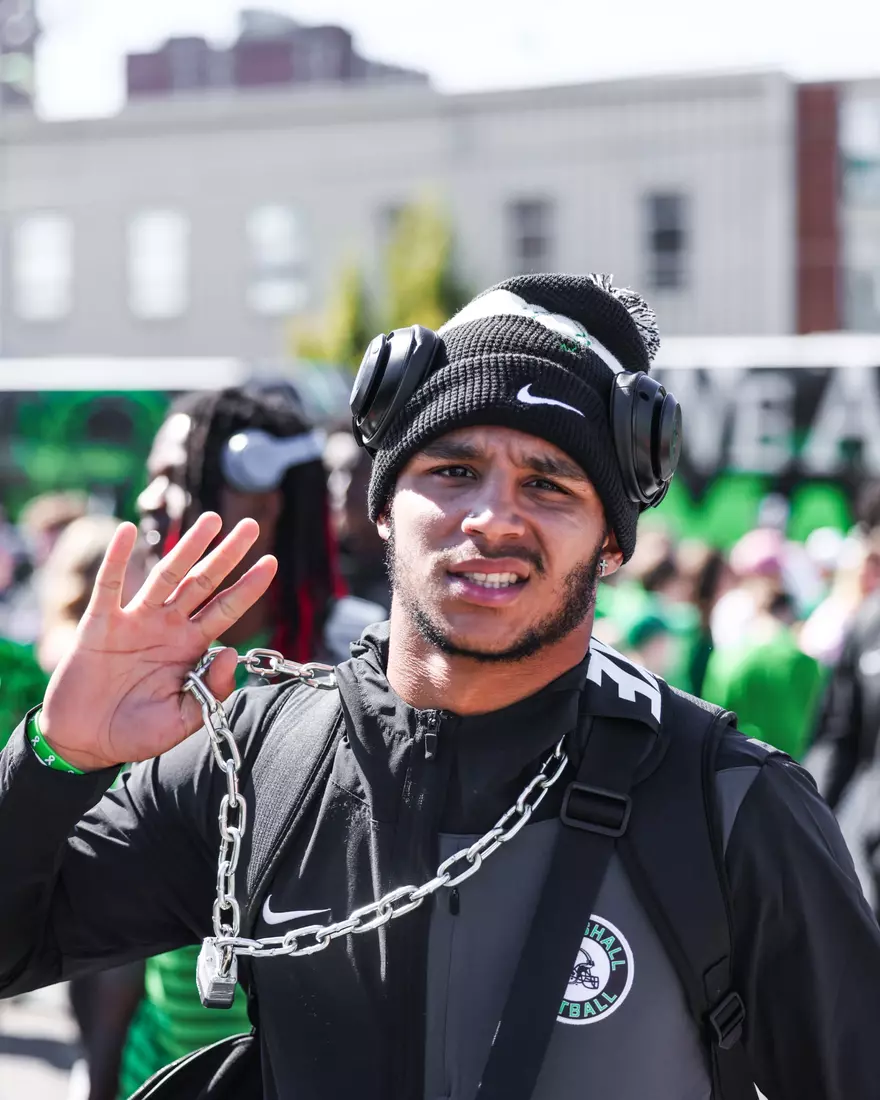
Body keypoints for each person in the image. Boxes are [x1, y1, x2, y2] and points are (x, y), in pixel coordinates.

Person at [1, 274, 880, 1100]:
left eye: (548, 484)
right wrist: (56, 755)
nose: (493, 518)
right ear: (383, 504)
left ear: (613, 542)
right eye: (453, 471)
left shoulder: (726, 802)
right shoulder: (255, 758)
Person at [115, 385, 385, 1098]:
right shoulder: (136, 664)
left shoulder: (363, 661)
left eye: (178, 476)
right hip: (159, 1069)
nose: (149, 499)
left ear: (265, 501)